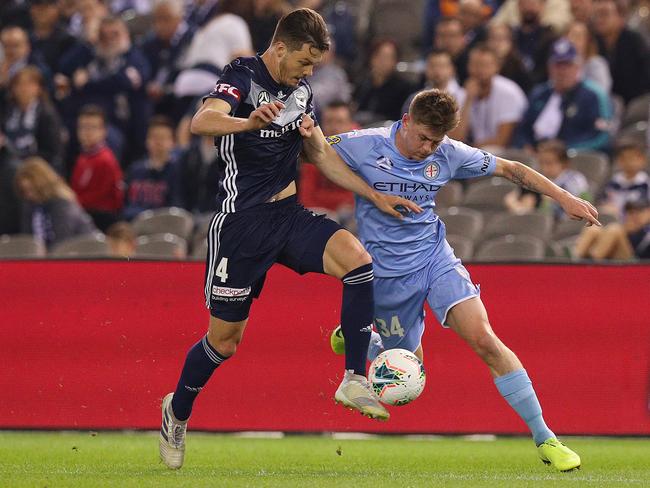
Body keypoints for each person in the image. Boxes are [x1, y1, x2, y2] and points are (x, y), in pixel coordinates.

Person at [159, 8, 421, 470]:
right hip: (241, 226)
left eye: (314, 66)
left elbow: (319, 152)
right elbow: (203, 122)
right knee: (225, 342)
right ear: (280, 47)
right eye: (304, 61)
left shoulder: (300, 91)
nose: (309, 72)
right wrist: (247, 123)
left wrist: (374, 194)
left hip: (289, 215)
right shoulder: (241, 73)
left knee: (358, 263)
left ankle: (355, 378)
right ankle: (177, 410)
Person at [329, 89, 599, 471]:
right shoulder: (363, 144)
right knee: (409, 373)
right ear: (405, 121)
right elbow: (314, 152)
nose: (427, 148)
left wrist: (563, 197)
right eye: (422, 137)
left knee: (485, 338)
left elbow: (511, 168)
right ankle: (360, 337)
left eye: (435, 141)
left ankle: (546, 438)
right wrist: (364, 189)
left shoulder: (448, 152)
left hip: (435, 260)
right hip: (388, 278)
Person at [513, 38, 612, 152]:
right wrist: (525, 145)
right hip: (536, 157)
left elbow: (602, 137)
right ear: (549, 68)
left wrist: (564, 151)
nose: (562, 71)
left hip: (575, 158)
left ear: (578, 67)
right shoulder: (540, 94)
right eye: (558, 65)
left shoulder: (594, 95)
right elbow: (522, 129)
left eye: (567, 65)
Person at [15, 156, 97, 248]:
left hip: (81, 253)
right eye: (25, 191)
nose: (29, 195)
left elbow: (62, 242)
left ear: (42, 186)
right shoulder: (30, 206)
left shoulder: (62, 204)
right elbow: (27, 239)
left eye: (32, 190)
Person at [504, 139, 591, 219]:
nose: (545, 168)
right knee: (527, 195)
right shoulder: (538, 177)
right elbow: (510, 198)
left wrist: (547, 198)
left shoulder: (575, 179)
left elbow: (577, 202)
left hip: (558, 218)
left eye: (549, 163)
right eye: (541, 163)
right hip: (535, 215)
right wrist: (516, 206)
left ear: (564, 163)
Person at [70, 105, 124, 231]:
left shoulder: (106, 160)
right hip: (84, 213)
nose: (87, 132)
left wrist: (72, 202)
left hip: (102, 220)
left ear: (103, 131)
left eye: (93, 127)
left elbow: (99, 196)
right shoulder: (82, 158)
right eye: (83, 127)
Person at [123, 115, 182, 220]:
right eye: (154, 137)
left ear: (173, 142)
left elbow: (176, 209)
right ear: (147, 140)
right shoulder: (135, 170)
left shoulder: (178, 171)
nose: (158, 142)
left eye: (163, 138)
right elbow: (125, 204)